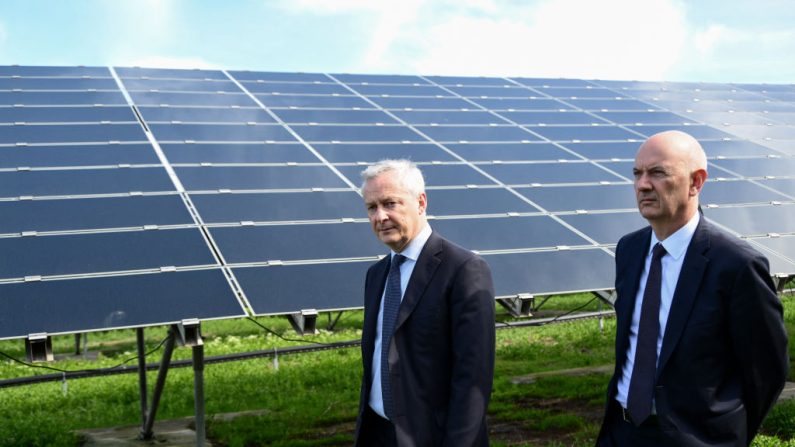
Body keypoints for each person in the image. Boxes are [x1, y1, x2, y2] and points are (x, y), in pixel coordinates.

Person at [597, 130, 788, 446]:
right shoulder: (629, 250)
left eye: (657, 173)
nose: (643, 184)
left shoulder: (736, 264)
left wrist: (725, 436)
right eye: (637, 173)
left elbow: (766, 370)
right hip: (621, 432)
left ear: (696, 182)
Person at [353, 159, 496, 447]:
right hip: (378, 434)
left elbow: (472, 380)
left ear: (421, 202)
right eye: (372, 207)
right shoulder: (376, 275)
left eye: (390, 203)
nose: (380, 217)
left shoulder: (463, 269)